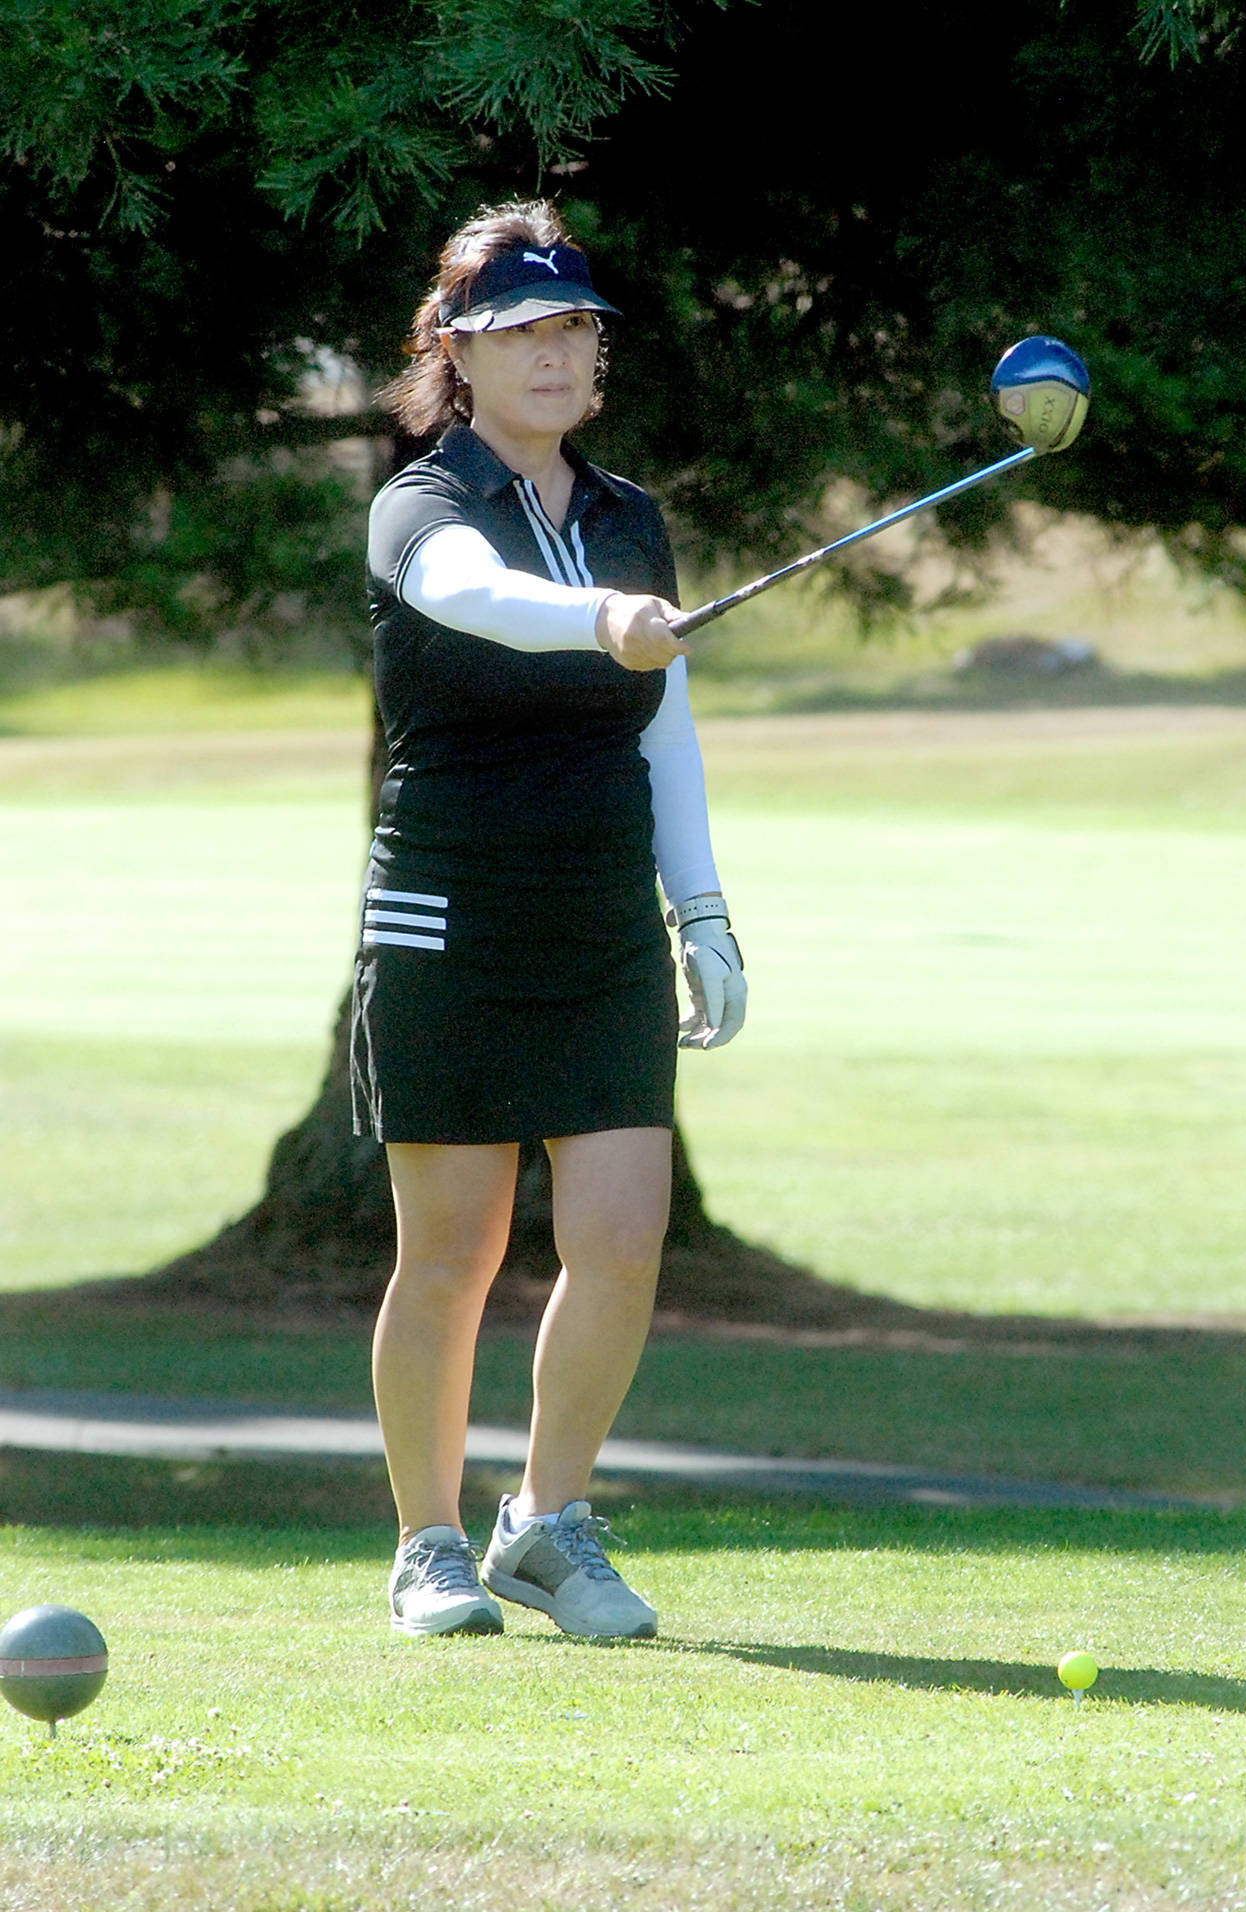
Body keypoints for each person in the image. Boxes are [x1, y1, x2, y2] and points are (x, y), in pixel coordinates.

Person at [351, 199, 746, 1642]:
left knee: (626, 1237)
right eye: (524, 331)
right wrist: (599, 621)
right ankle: (429, 1542)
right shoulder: (422, 504)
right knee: (450, 1252)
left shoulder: (631, 518)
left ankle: (546, 1522)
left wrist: (699, 908)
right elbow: (471, 598)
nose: (558, 355)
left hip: (599, 919)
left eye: (577, 329)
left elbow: (669, 730)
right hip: (449, 909)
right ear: (459, 350)